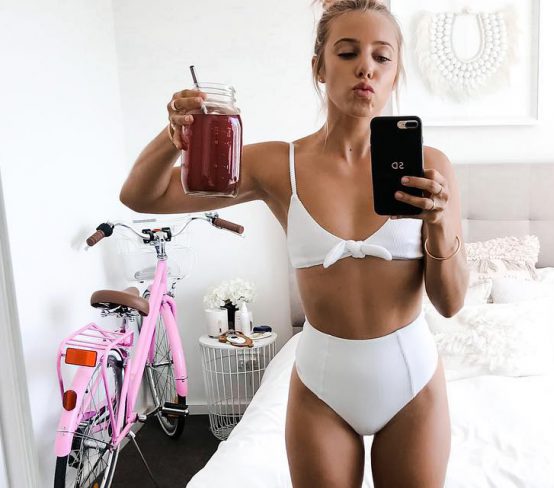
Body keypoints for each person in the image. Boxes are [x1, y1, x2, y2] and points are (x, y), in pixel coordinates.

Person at [119, 0, 468, 485]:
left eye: (382, 56)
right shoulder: (276, 165)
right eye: (347, 52)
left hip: (411, 381)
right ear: (318, 68)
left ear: (395, 73)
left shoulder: (431, 167)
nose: (366, 67)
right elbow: (142, 195)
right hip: (323, 386)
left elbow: (450, 303)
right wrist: (171, 135)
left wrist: (438, 223)